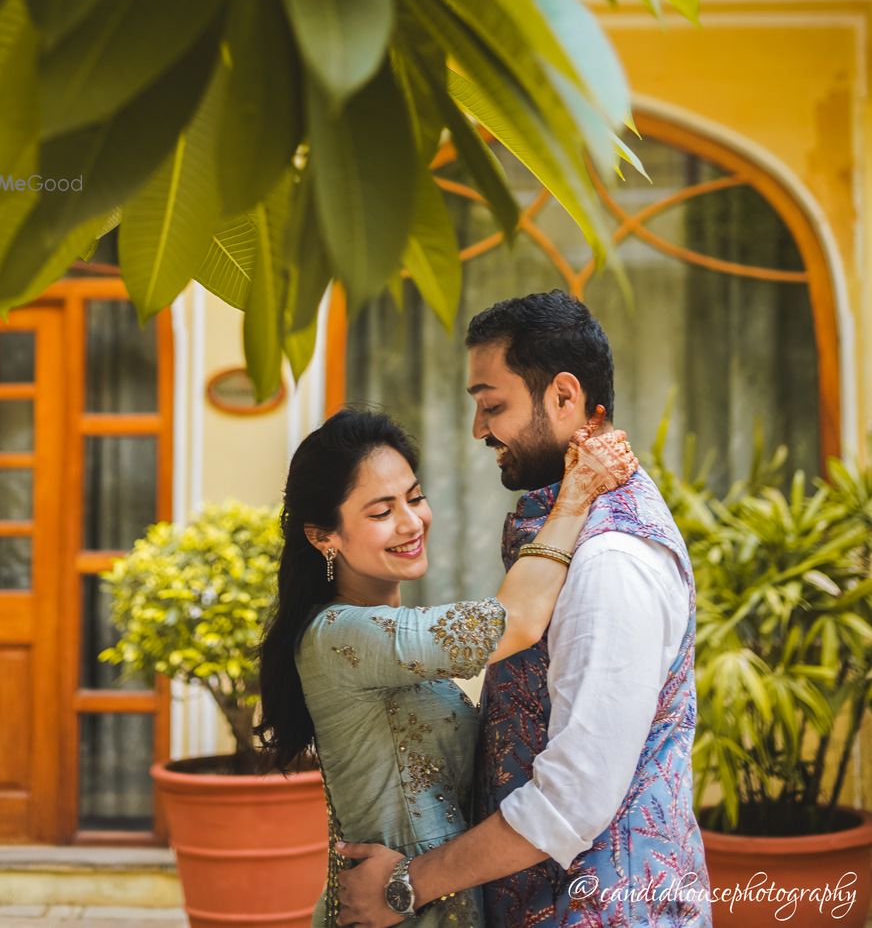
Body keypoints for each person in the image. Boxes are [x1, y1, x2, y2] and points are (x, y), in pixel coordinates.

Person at [336, 290, 712, 927]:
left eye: (492, 405)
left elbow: (573, 799)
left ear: (564, 397)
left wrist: (405, 885)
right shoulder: (575, 531)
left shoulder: (611, 560)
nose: (480, 430)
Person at [256, 402, 639, 928]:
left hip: (432, 900)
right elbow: (518, 620)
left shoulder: (388, 634)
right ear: (324, 536)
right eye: (380, 511)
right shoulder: (337, 635)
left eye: (415, 498)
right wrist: (577, 492)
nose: (411, 522)